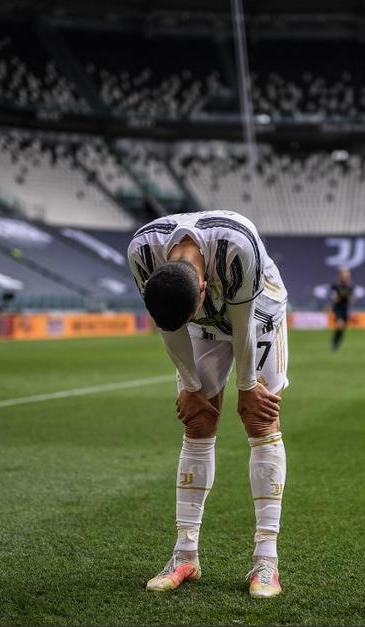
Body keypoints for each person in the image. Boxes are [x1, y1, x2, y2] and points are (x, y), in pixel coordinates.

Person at [127, 210, 289, 599]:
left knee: (259, 419)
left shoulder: (237, 245)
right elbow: (169, 326)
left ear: (202, 288)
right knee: (198, 421)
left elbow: (243, 321)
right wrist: (190, 386)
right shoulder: (141, 253)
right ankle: (184, 555)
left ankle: (266, 560)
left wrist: (248, 386)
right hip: (200, 322)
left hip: (259, 309)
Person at [330, 268, 353, 351]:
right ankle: (334, 342)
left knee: (342, 327)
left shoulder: (350, 286)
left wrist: (351, 298)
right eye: (345, 276)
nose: (346, 277)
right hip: (338, 308)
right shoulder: (336, 286)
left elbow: (351, 298)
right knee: (340, 324)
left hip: (345, 309)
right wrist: (335, 298)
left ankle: (337, 341)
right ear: (341, 276)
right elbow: (332, 296)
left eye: (348, 276)